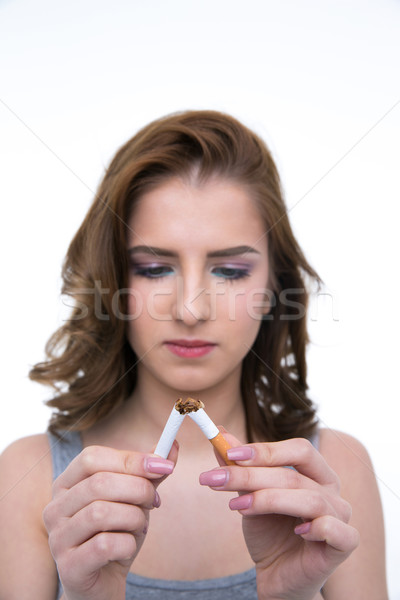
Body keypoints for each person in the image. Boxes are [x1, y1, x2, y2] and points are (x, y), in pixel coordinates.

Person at [0, 110, 388, 600]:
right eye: (154, 268)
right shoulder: (31, 476)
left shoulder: (334, 473)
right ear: (113, 281)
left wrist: (293, 596)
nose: (190, 309)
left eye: (229, 271)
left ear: (274, 287)